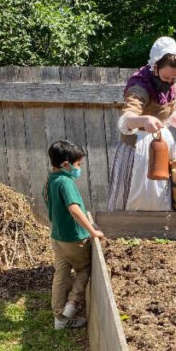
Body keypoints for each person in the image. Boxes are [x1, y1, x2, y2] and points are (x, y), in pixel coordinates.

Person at [106, 37, 176, 211]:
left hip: (162, 145)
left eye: (174, 78)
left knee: (162, 195)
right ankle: (125, 231)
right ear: (155, 66)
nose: (170, 81)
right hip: (138, 149)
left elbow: (168, 114)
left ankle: (161, 230)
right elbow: (126, 119)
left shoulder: (170, 83)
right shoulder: (139, 86)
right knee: (136, 196)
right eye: (167, 77)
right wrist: (143, 120)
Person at [45, 139, 105, 330]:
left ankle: (58, 317)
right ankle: (71, 307)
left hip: (57, 236)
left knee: (61, 273)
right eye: (78, 165)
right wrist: (92, 230)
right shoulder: (65, 182)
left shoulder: (51, 180)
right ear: (66, 164)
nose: (79, 169)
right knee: (84, 269)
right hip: (73, 238)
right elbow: (74, 209)